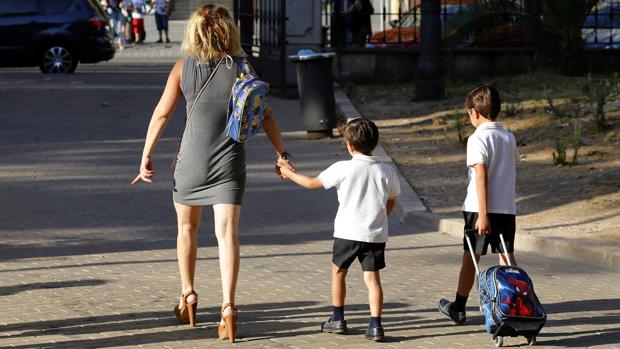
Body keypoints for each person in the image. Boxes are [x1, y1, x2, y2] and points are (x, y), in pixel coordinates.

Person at [131, 4, 292, 343]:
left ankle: (188, 294)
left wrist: (146, 156)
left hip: (189, 164)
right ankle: (228, 308)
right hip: (229, 165)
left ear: (195, 32)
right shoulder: (243, 69)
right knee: (227, 237)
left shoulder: (181, 68)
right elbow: (268, 116)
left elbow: (161, 115)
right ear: (229, 31)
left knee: (187, 230)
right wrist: (282, 154)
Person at [277, 118, 400, 342]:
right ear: (374, 142)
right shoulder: (387, 171)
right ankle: (375, 325)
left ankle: (338, 318)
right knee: (373, 279)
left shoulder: (343, 168)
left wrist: (288, 173)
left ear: (350, 146)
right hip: (375, 234)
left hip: (347, 233)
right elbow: (392, 199)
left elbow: (312, 183)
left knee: (338, 273)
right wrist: (383, 216)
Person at [438, 85, 519, 325]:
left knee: (471, 257)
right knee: (507, 258)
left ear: (474, 113)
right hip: (506, 208)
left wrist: (483, 214)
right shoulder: (508, 136)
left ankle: (459, 306)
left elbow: (481, 175)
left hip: (479, 209)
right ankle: (514, 304)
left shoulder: (477, 138)